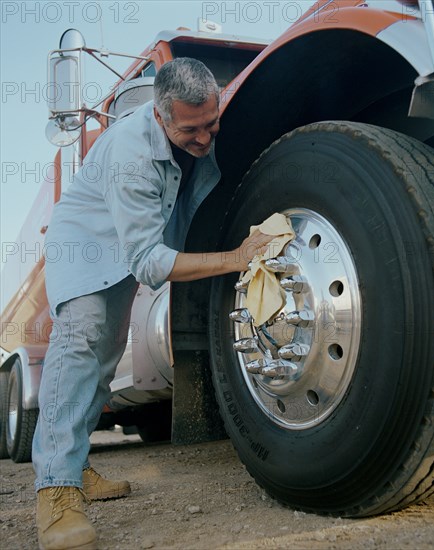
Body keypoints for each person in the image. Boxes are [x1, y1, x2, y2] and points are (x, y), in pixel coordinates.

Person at [33, 57, 272, 550]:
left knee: (103, 364)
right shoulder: (129, 152)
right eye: (191, 130)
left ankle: (76, 468)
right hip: (84, 246)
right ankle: (55, 491)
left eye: (213, 123)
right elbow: (146, 260)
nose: (205, 139)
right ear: (161, 117)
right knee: (80, 348)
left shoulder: (197, 127)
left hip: (120, 250)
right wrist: (232, 258)